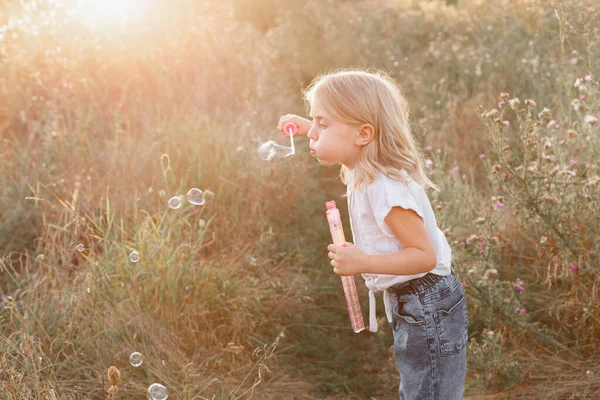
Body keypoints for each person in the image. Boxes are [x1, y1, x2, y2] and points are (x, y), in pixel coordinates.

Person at [277, 68, 468, 400]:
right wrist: (311, 127)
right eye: (315, 122)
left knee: (430, 391)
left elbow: (424, 256)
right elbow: (343, 142)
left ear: (364, 134)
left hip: (426, 300)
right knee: (419, 384)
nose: (313, 134)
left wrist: (362, 261)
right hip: (412, 298)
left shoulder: (386, 190)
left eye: (323, 123)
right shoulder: (364, 162)